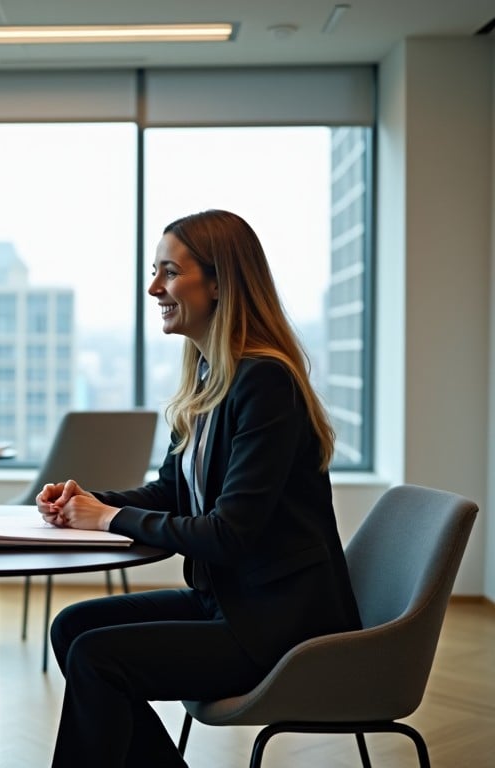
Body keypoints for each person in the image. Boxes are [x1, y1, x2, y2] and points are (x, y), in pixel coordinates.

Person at [38, 209, 361, 768]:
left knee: (97, 657)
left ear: (219, 283)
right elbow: (169, 493)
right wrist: (88, 501)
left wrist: (105, 519)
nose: (153, 287)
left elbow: (230, 533)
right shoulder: (212, 378)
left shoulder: (265, 381)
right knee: (74, 627)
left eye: (169, 271)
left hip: (279, 626)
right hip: (232, 605)